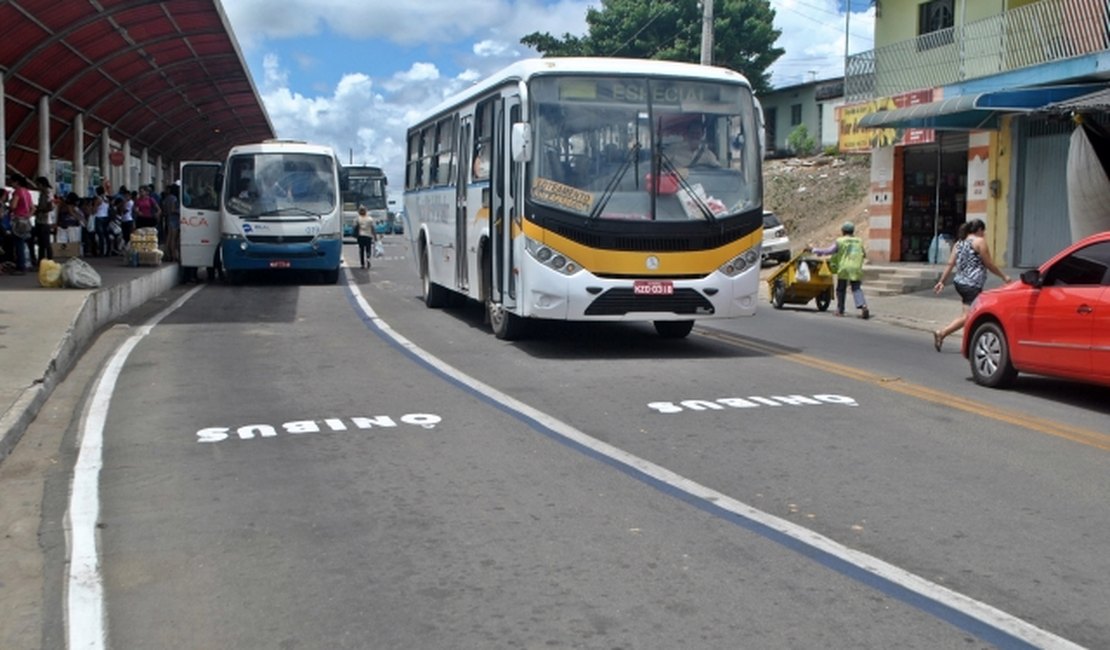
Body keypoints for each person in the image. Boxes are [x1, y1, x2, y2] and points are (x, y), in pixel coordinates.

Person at [931, 219, 1012, 351]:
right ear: (979, 230)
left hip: (960, 283)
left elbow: (950, 264)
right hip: (972, 284)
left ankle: (952, 337)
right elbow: (989, 264)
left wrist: (942, 281)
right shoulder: (979, 242)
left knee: (967, 315)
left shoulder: (958, 243)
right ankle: (944, 334)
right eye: (983, 231)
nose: (984, 234)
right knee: (970, 316)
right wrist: (1004, 276)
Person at [808, 221, 870, 319]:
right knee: (856, 288)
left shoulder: (840, 241)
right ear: (853, 231)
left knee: (841, 289)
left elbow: (829, 251)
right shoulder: (859, 241)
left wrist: (814, 250)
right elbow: (864, 254)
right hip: (856, 267)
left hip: (844, 267)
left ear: (843, 231)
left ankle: (840, 310)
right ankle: (863, 306)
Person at [161, 184, 180, 263]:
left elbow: (164, 209)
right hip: (174, 219)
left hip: (168, 218)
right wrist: (180, 211)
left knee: (168, 238)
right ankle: (173, 256)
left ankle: (167, 254)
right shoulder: (174, 198)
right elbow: (173, 209)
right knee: (173, 239)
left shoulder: (167, 198)